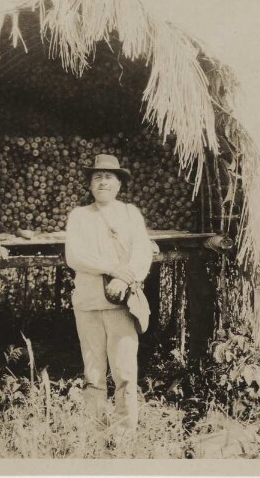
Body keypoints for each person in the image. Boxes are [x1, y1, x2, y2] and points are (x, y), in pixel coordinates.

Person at [65, 154, 153, 433]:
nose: (103, 182)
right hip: (88, 303)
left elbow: (143, 253)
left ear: (119, 184)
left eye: (109, 177)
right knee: (93, 373)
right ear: (90, 185)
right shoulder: (79, 216)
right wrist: (113, 269)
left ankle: (126, 433)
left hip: (121, 303)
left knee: (125, 372)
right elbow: (75, 257)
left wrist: (126, 281)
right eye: (97, 177)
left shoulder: (130, 214)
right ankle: (95, 432)